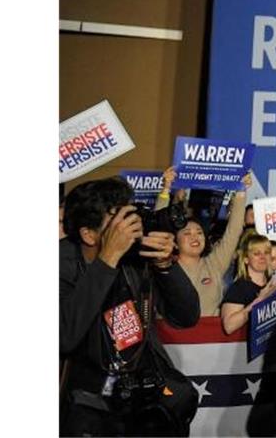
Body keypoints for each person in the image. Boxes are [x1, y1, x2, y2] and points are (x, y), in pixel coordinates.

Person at [60, 177, 200, 436]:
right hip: (87, 406)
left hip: (142, 401)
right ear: (88, 234)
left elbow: (186, 316)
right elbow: (65, 336)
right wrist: (108, 258)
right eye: (118, 223)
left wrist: (165, 265)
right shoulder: (62, 263)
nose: (130, 228)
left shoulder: (136, 257)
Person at [165, 170, 250, 317]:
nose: (195, 237)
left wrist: (241, 192)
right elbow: (159, 232)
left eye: (199, 232)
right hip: (172, 338)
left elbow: (233, 232)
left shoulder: (214, 264)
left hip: (209, 338)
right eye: (187, 233)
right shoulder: (165, 268)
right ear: (175, 242)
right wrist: (166, 190)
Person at [220, 233, 276, 334]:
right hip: (248, 348)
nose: (263, 257)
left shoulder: (274, 283)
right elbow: (229, 326)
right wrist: (260, 300)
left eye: (266, 252)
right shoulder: (239, 287)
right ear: (246, 259)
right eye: (256, 253)